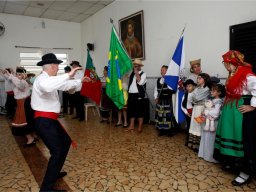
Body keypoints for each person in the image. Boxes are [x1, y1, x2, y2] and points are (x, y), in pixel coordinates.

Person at [31, 53, 89, 191]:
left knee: (65, 143)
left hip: (50, 120)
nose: (58, 69)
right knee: (57, 151)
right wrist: (68, 75)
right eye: (57, 66)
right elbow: (49, 86)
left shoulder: (51, 79)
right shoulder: (42, 80)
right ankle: (46, 188)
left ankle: (54, 172)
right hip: (44, 121)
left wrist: (80, 81)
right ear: (52, 66)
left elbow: (65, 85)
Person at [213, 50, 256, 186]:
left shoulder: (247, 75)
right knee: (230, 134)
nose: (224, 65)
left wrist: (252, 106)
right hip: (230, 110)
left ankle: (245, 172)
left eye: (226, 62)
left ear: (233, 62)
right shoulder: (232, 73)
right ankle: (233, 164)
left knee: (242, 138)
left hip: (240, 112)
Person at [5, 67, 36, 146]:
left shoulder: (22, 82)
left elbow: (20, 85)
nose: (18, 76)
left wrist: (11, 75)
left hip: (24, 103)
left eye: (20, 74)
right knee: (27, 121)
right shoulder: (19, 81)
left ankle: (30, 138)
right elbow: (14, 80)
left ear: (23, 75)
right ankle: (32, 137)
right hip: (22, 103)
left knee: (23, 121)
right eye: (17, 74)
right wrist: (10, 74)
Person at [198, 83, 225, 163]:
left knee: (211, 139)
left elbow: (216, 113)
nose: (211, 92)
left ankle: (210, 156)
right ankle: (204, 154)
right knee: (206, 137)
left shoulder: (219, 102)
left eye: (214, 91)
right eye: (211, 91)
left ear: (219, 92)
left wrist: (206, 112)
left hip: (213, 123)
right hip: (207, 121)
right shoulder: (212, 100)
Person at [187, 73, 211, 152]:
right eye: (197, 78)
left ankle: (199, 146)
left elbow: (196, 98)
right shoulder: (197, 88)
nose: (198, 80)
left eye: (200, 78)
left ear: (205, 79)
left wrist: (194, 96)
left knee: (199, 125)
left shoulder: (207, 89)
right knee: (194, 125)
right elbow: (190, 99)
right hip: (195, 108)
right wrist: (194, 96)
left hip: (201, 109)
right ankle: (193, 144)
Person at [154, 65, 176, 136]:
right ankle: (162, 130)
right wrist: (156, 98)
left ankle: (169, 131)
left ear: (167, 71)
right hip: (160, 101)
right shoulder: (158, 80)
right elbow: (156, 90)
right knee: (161, 115)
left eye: (163, 70)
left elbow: (173, 90)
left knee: (168, 115)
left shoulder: (170, 81)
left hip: (168, 100)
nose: (162, 71)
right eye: (161, 70)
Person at [126, 59, 147, 133]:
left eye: (136, 65)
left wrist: (136, 73)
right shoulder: (132, 73)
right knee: (131, 110)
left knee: (139, 111)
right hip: (131, 94)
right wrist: (133, 72)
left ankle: (140, 127)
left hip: (138, 95)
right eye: (134, 65)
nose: (134, 66)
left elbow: (140, 82)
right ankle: (131, 126)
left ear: (140, 66)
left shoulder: (143, 74)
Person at [181, 79, 197, 146]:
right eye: (187, 86)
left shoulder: (195, 94)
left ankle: (195, 141)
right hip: (188, 113)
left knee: (195, 127)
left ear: (193, 86)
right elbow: (182, 105)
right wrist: (186, 112)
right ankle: (188, 140)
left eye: (190, 86)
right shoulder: (185, 95)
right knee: (189, 126)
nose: (188, 88)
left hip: (195, 112)